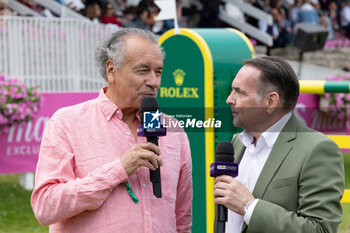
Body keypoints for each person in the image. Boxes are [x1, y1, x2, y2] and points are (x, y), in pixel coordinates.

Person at [31, 28, 193, 233]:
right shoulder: (67, 122)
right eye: (143, 70)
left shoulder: (173, 131)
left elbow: (182, 219)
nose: (154, 81)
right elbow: (46, 207)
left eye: (158, 72)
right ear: (111, 70)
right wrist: (118, 170)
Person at [213, 56, 344, 233]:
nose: (230, 99)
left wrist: (249, 206)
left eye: (240, 92)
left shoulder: (317, 149)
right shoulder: (237, 143)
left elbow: (320, 229)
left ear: (270, 101)